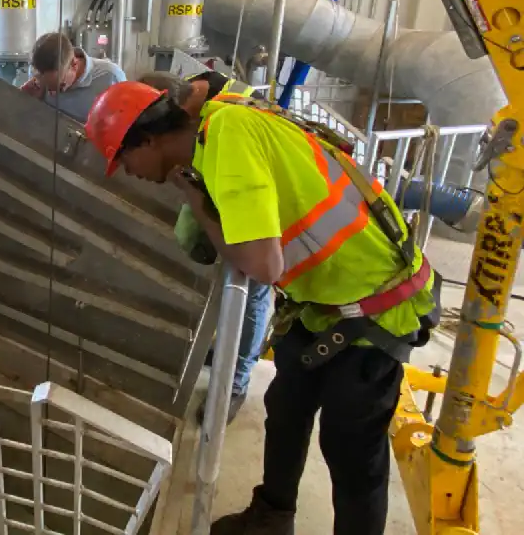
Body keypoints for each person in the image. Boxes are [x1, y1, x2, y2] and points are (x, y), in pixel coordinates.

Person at [85, 82, 436, 535]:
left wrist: (193, 198)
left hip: (376, 304)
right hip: (320, 303)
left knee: (351, 449)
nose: (127, 172)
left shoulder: (229, 136)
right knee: (286, 409)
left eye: (123, 159)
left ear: (148, 140)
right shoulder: (214, 131)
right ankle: (273, 514)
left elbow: (261, 264)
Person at [138, 70, 265, 423]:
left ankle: (234, 384)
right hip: (233, 205)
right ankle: (225, 350)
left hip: (266, 225)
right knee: (231, 287)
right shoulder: (199, 102)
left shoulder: (231, 117)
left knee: (251, 293)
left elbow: (262, 259)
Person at [21, 32, 125, 122]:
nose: (53, 94)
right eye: (48, 88)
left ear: (74, 64)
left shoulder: (110, 77)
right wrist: (26, 99)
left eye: (60, 87)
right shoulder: (36, 73)